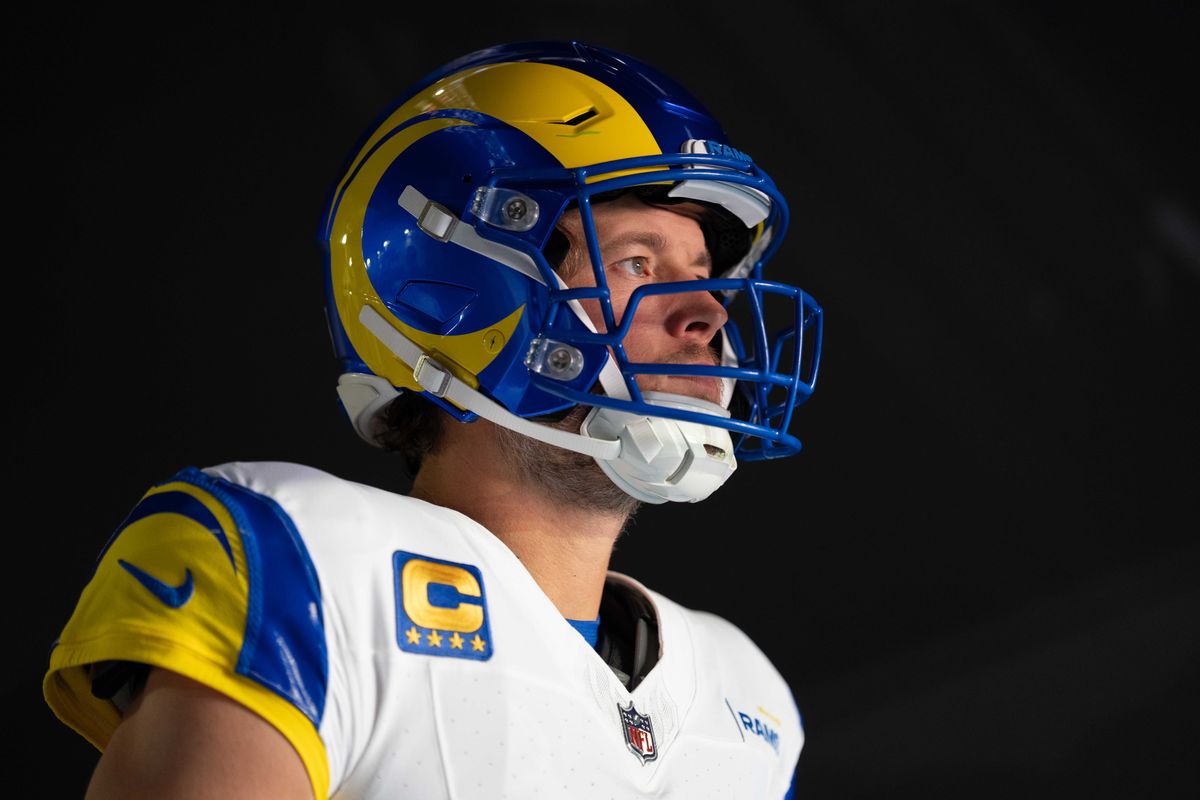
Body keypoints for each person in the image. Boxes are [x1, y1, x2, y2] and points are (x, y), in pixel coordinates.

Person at [42, 40, 823, 799]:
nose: (705, 312)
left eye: (705, 274)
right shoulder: (307, 567)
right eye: (637, 265)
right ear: (466, 289)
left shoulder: (745, 699)